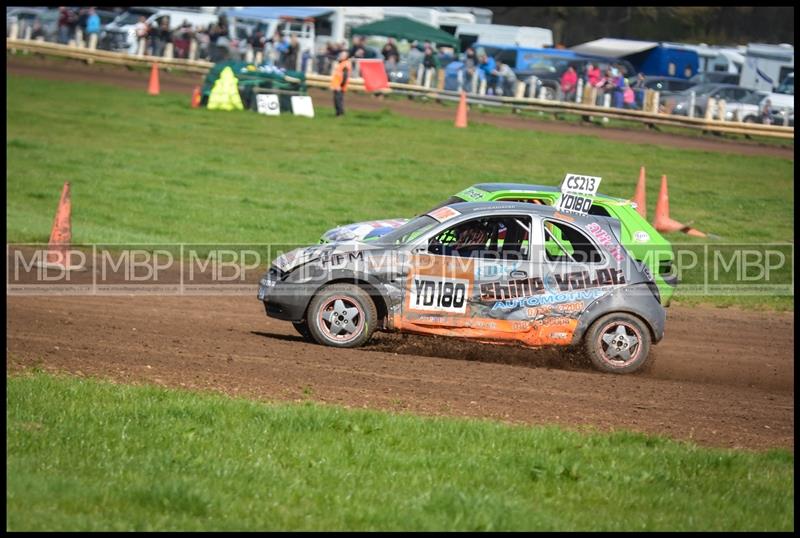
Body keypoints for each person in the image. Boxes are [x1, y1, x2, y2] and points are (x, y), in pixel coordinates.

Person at [330, 50, 352, 117]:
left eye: (342, 55)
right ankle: (338, 113)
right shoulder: (341, 63)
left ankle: (340, 113)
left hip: (339, 86)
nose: (341, 56)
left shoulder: (345, 64)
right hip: (337, 85)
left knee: (338, 100)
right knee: (337, 100)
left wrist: (341, 85)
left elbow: (345, 76)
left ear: (346, 56)